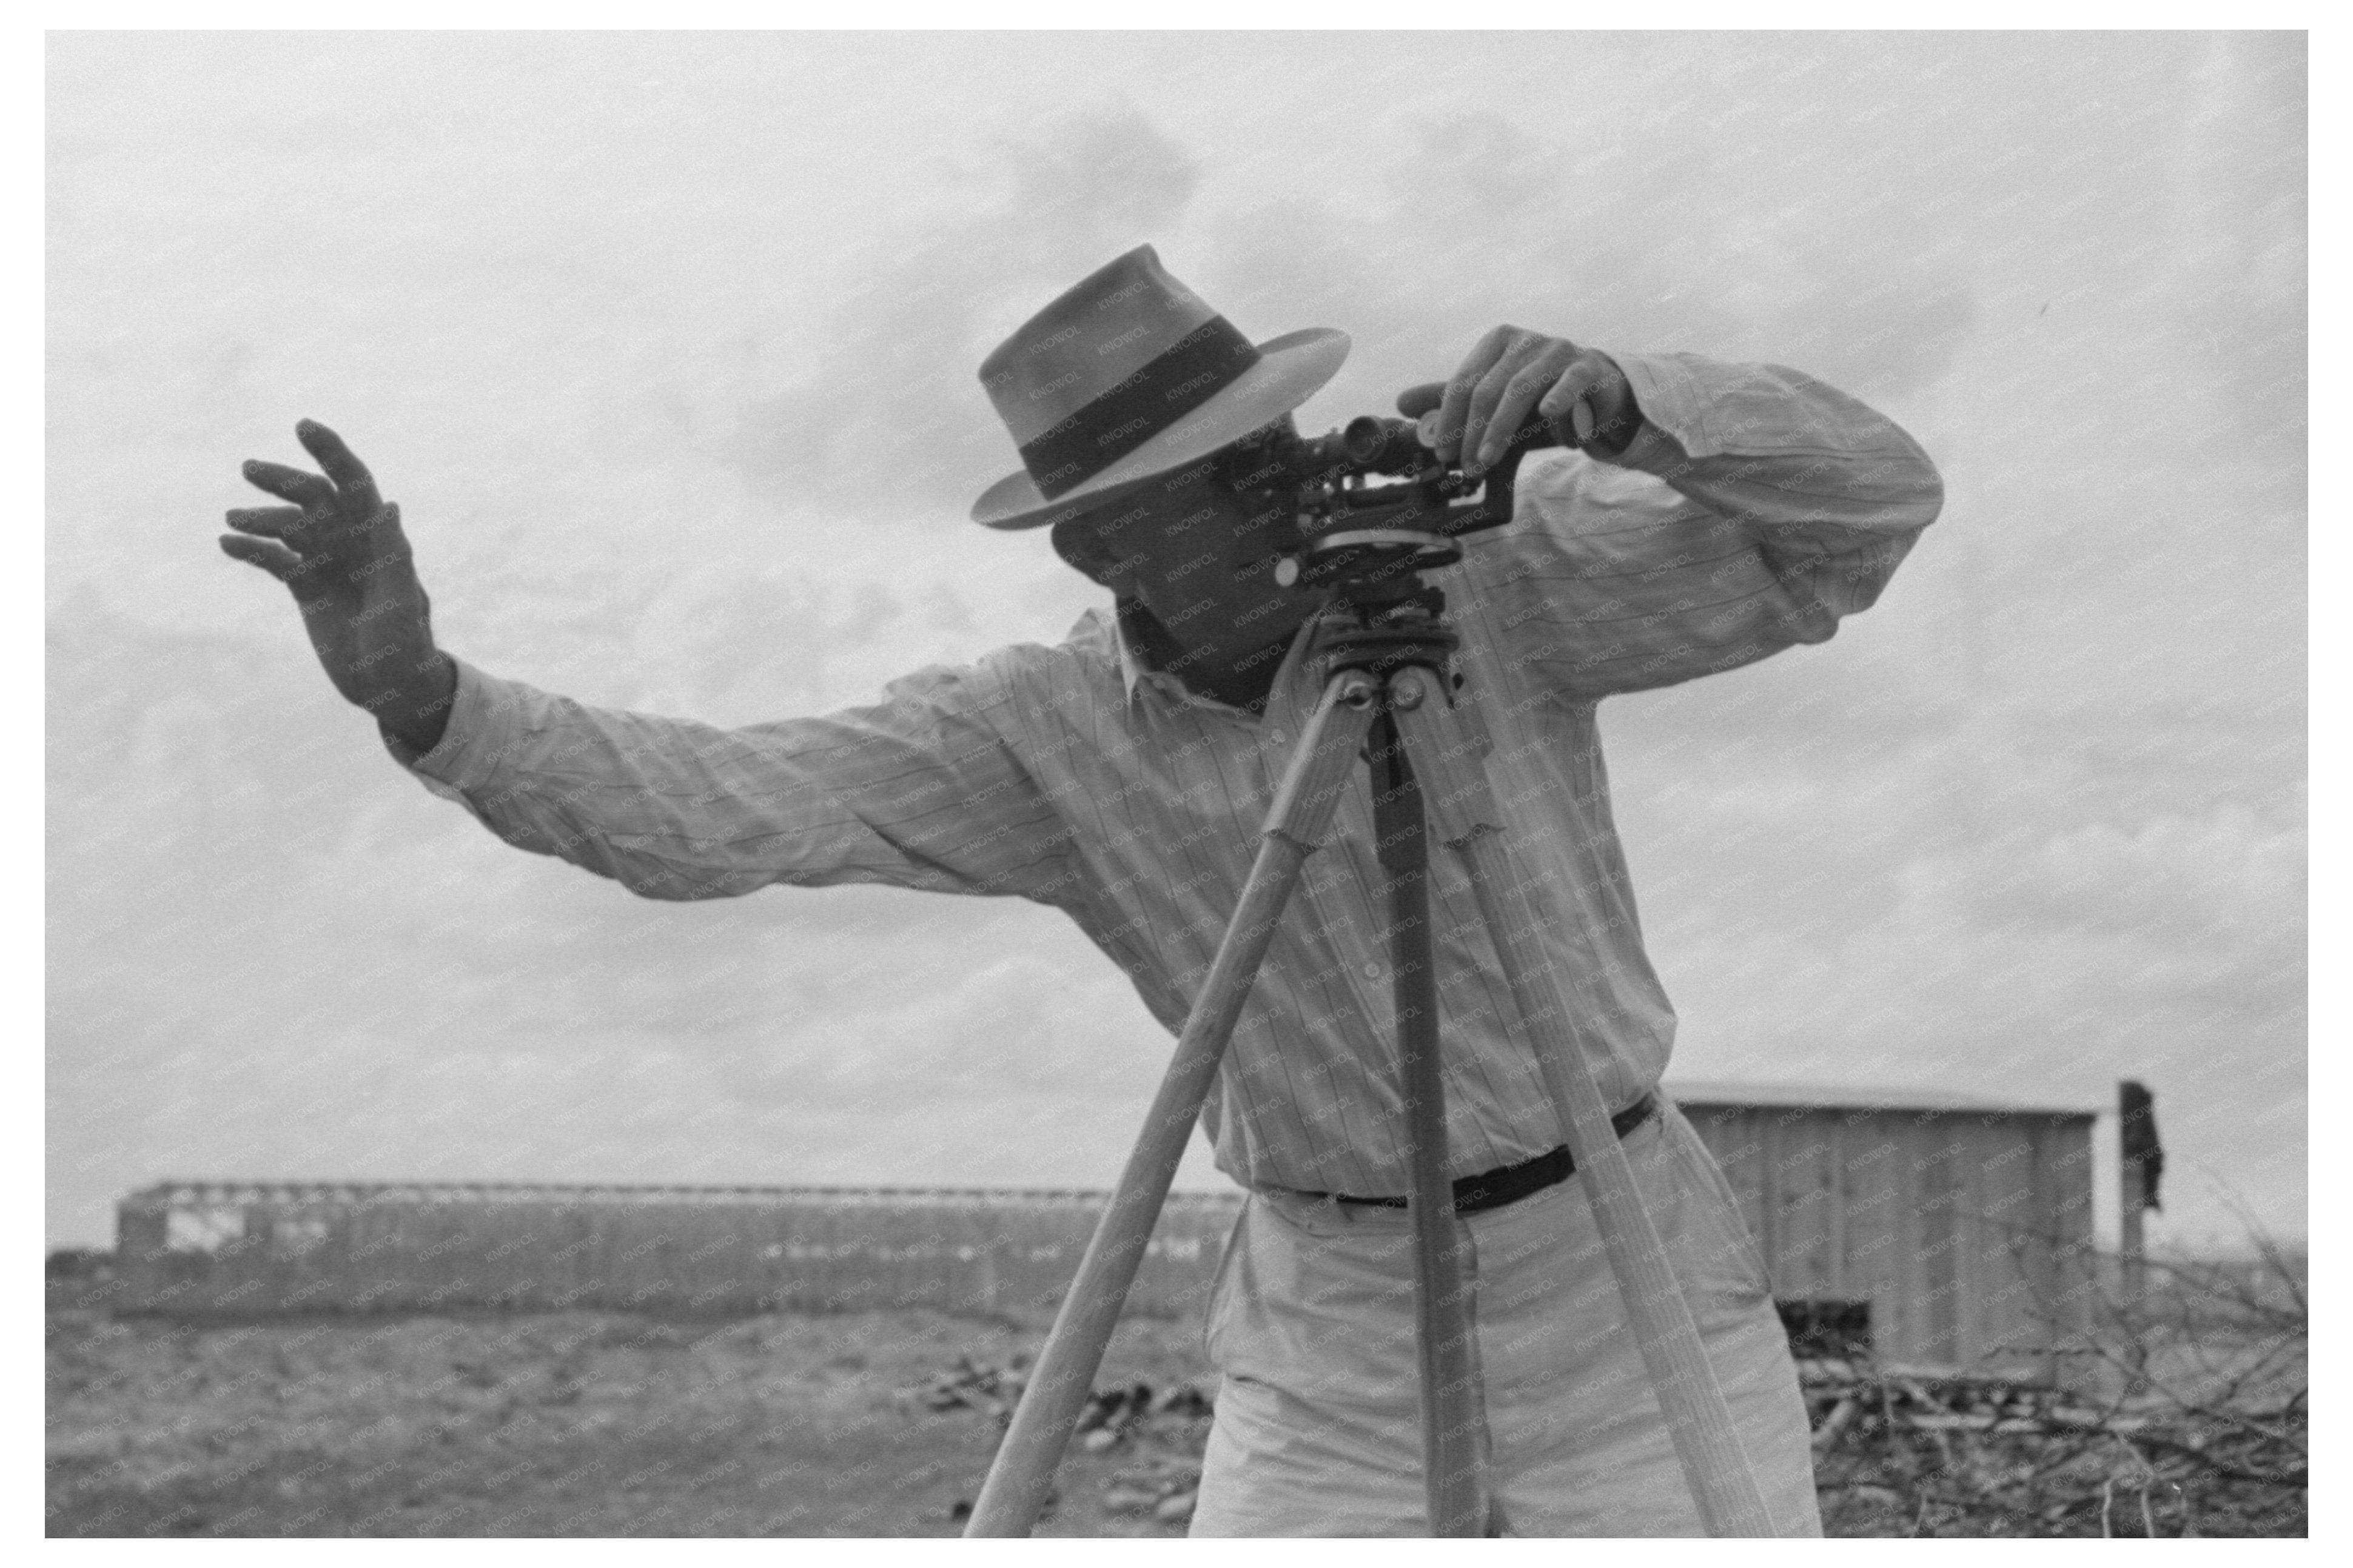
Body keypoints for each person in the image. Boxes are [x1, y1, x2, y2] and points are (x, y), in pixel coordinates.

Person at [220, 244, 1942, 1536]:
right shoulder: (1042, 735)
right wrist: (425, 697)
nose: (1288, 483)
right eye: (1228, 473)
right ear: (1102, 542)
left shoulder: (1494, 580)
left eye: (1276, 444)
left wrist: (1643, 407)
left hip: (1620, 1281)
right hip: (1331, 1331)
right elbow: (726, 806)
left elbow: (1867, 513)